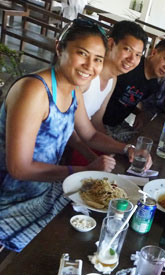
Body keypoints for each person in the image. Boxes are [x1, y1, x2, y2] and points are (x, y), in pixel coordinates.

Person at [0, 19, 151, 252]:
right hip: (9, 199)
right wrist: (84, 172)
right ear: (60, 48)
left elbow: (89, 134)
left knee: (103, 227)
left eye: (98, 59)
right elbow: (18, 168)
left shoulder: (73, 90)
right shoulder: (34, 90)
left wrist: (126, 149)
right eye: (82, 53)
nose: (90, 66)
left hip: (41, 190)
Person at [69, 20, 148, 164]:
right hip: (66, 146)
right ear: (111, 44)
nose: (132, 59)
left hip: (84, 140)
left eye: (138, 55)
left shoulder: (113, 80)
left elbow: (97, 122)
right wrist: (92, 155)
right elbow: (66, 127)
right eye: (127, 50)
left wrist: (118, 148)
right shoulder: (86, 76)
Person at [101, 39, 165, 142]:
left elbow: (127, 102)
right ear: (154, 52)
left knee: (146, 141)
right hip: (98, 121)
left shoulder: (153, 85)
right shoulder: (130, 65)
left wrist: (140, 113)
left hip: (116, 124)